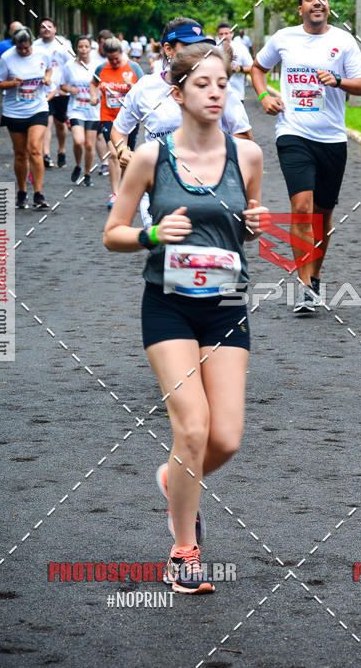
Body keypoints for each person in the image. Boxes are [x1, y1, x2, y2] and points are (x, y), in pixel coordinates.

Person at [103, 42, 266, 594]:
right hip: (168, 303)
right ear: (177, 93)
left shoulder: (248, 157)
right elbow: (114, 234)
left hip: (224, 304)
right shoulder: (152, 157)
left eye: (223, 83)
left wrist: (253, 225)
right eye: (203, 84)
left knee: (226, 439)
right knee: (191, 426)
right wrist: (153, 233)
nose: (216, 92)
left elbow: (243, 230)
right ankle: (183, 551)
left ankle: (174, 481)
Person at [251, 0, 361, 313]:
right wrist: (264, 96)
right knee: (302, 207)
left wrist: (338, 81)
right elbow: (257, 68)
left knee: (324, 215)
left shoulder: (343, 42)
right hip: (293, 133)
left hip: (331, 138)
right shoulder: (284, 38)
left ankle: (314, 277)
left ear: (328, 7)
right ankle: (303, 286)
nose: (317, 2)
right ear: (300, 9)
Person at [112, 18, 253, 228]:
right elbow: (119, 130)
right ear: (168, 49)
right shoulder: (145, 88)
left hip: (210, 185)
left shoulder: (218, 88)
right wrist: (122, 150)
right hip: (158, 187)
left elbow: (244, 137)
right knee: (167, 250)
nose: (197, 53)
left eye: (201, 47)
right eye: (188, 46)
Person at [0, 26, 54, 208]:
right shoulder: (7, 58)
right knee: (21, 154)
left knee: (35, 148)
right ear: (15, 45)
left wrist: (47, 79)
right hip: (14, 111)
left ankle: (38, 193)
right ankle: (22, 192)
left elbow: (49, 70)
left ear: (31, 44)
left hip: (37, 108)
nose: (23, 51)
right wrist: (12, 83)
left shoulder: (42, 54)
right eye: (20, 48)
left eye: (27, 48)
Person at [90, 38, 143, 209]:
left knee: (126, 156)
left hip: (129, 119)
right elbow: (93, 83)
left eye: (116, 59)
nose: (113, 62)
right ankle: (115, 193)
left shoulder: (133, 68)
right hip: (108, 117)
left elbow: (144, 90)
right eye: (110, 59)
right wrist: (94, 95)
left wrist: (130, 85)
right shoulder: (101, 68)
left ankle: (127, 193)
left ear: (122, 53)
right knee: (113, 153)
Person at [60, 36, 101, 186]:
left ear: (90, 48)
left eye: (86, 46)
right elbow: (62, 86)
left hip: (93, 110)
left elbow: (103, 85)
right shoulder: (69, 66)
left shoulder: (98, 66)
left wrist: (95, 95)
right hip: (76, 109)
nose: (83, 49)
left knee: (90, 145)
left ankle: (87, 173)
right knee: (79, 141)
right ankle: (78, 165)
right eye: (80, 46)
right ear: (76, 48)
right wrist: (70, 89)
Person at [33, 17, 72, 169]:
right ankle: (46, 154)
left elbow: (71, 65)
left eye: (49, 26)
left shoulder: (63, 44)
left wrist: (66, 86)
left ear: (55, 29)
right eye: (43, 27)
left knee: (60, 125)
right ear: (39, 30)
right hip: (43, 90)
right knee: (46, 123)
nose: (46, 29)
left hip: (61, 91)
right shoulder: (35, 46)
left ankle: (61, 150)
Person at [93, 29, 115, 176]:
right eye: (102, 43)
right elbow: (91, 80)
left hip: (113, 103)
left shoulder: (117, 56)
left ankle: (115, 159)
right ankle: (105, 162)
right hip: (96, 103)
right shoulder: (92, 57)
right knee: (99, 135)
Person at [216, 23, 252, 101]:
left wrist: (240, 68)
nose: (224, 37)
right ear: (217, 35)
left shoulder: (241, 48)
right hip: (217, 96)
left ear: (232, 34)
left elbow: (252, 68)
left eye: (226, 33)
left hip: (237, 95)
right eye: (221, 34)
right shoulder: (213, 49)